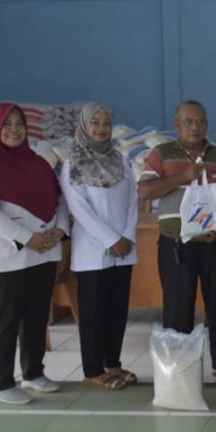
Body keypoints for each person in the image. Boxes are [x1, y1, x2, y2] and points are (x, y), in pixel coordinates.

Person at [0, 103, 69, 405]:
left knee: (36, 318)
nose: (14, 129)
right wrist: (27, 238)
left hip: (43, 253)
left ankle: (33, 373)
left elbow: (59, 199)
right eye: (7, 124)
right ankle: (2, 383)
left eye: (19, 123)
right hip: (4, 258)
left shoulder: (38, 164)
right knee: (4, 321)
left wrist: (59, 231)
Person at [138, 99, 216, 384]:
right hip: (176, 244)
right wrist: (182, 177)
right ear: (177, 125)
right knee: (177, 307)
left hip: (214, 242)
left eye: (200, 121)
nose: (195, 126)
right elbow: (145, 191)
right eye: (188, 121)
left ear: (207, 124)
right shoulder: (160, 154)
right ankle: (179, 369)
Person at [60, 102, 139, 390]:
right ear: (84, 125)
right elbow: (79, 209)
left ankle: (113, 363)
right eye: (95, 123)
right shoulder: (73, 163)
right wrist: (111, 240)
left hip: (124, 250)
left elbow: (132, 200)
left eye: (106, 123)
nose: (101, 128)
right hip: (92, 251)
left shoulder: (121, 160)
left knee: (116, 311)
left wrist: (127, 236)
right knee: (92, 313)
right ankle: (93, 369)